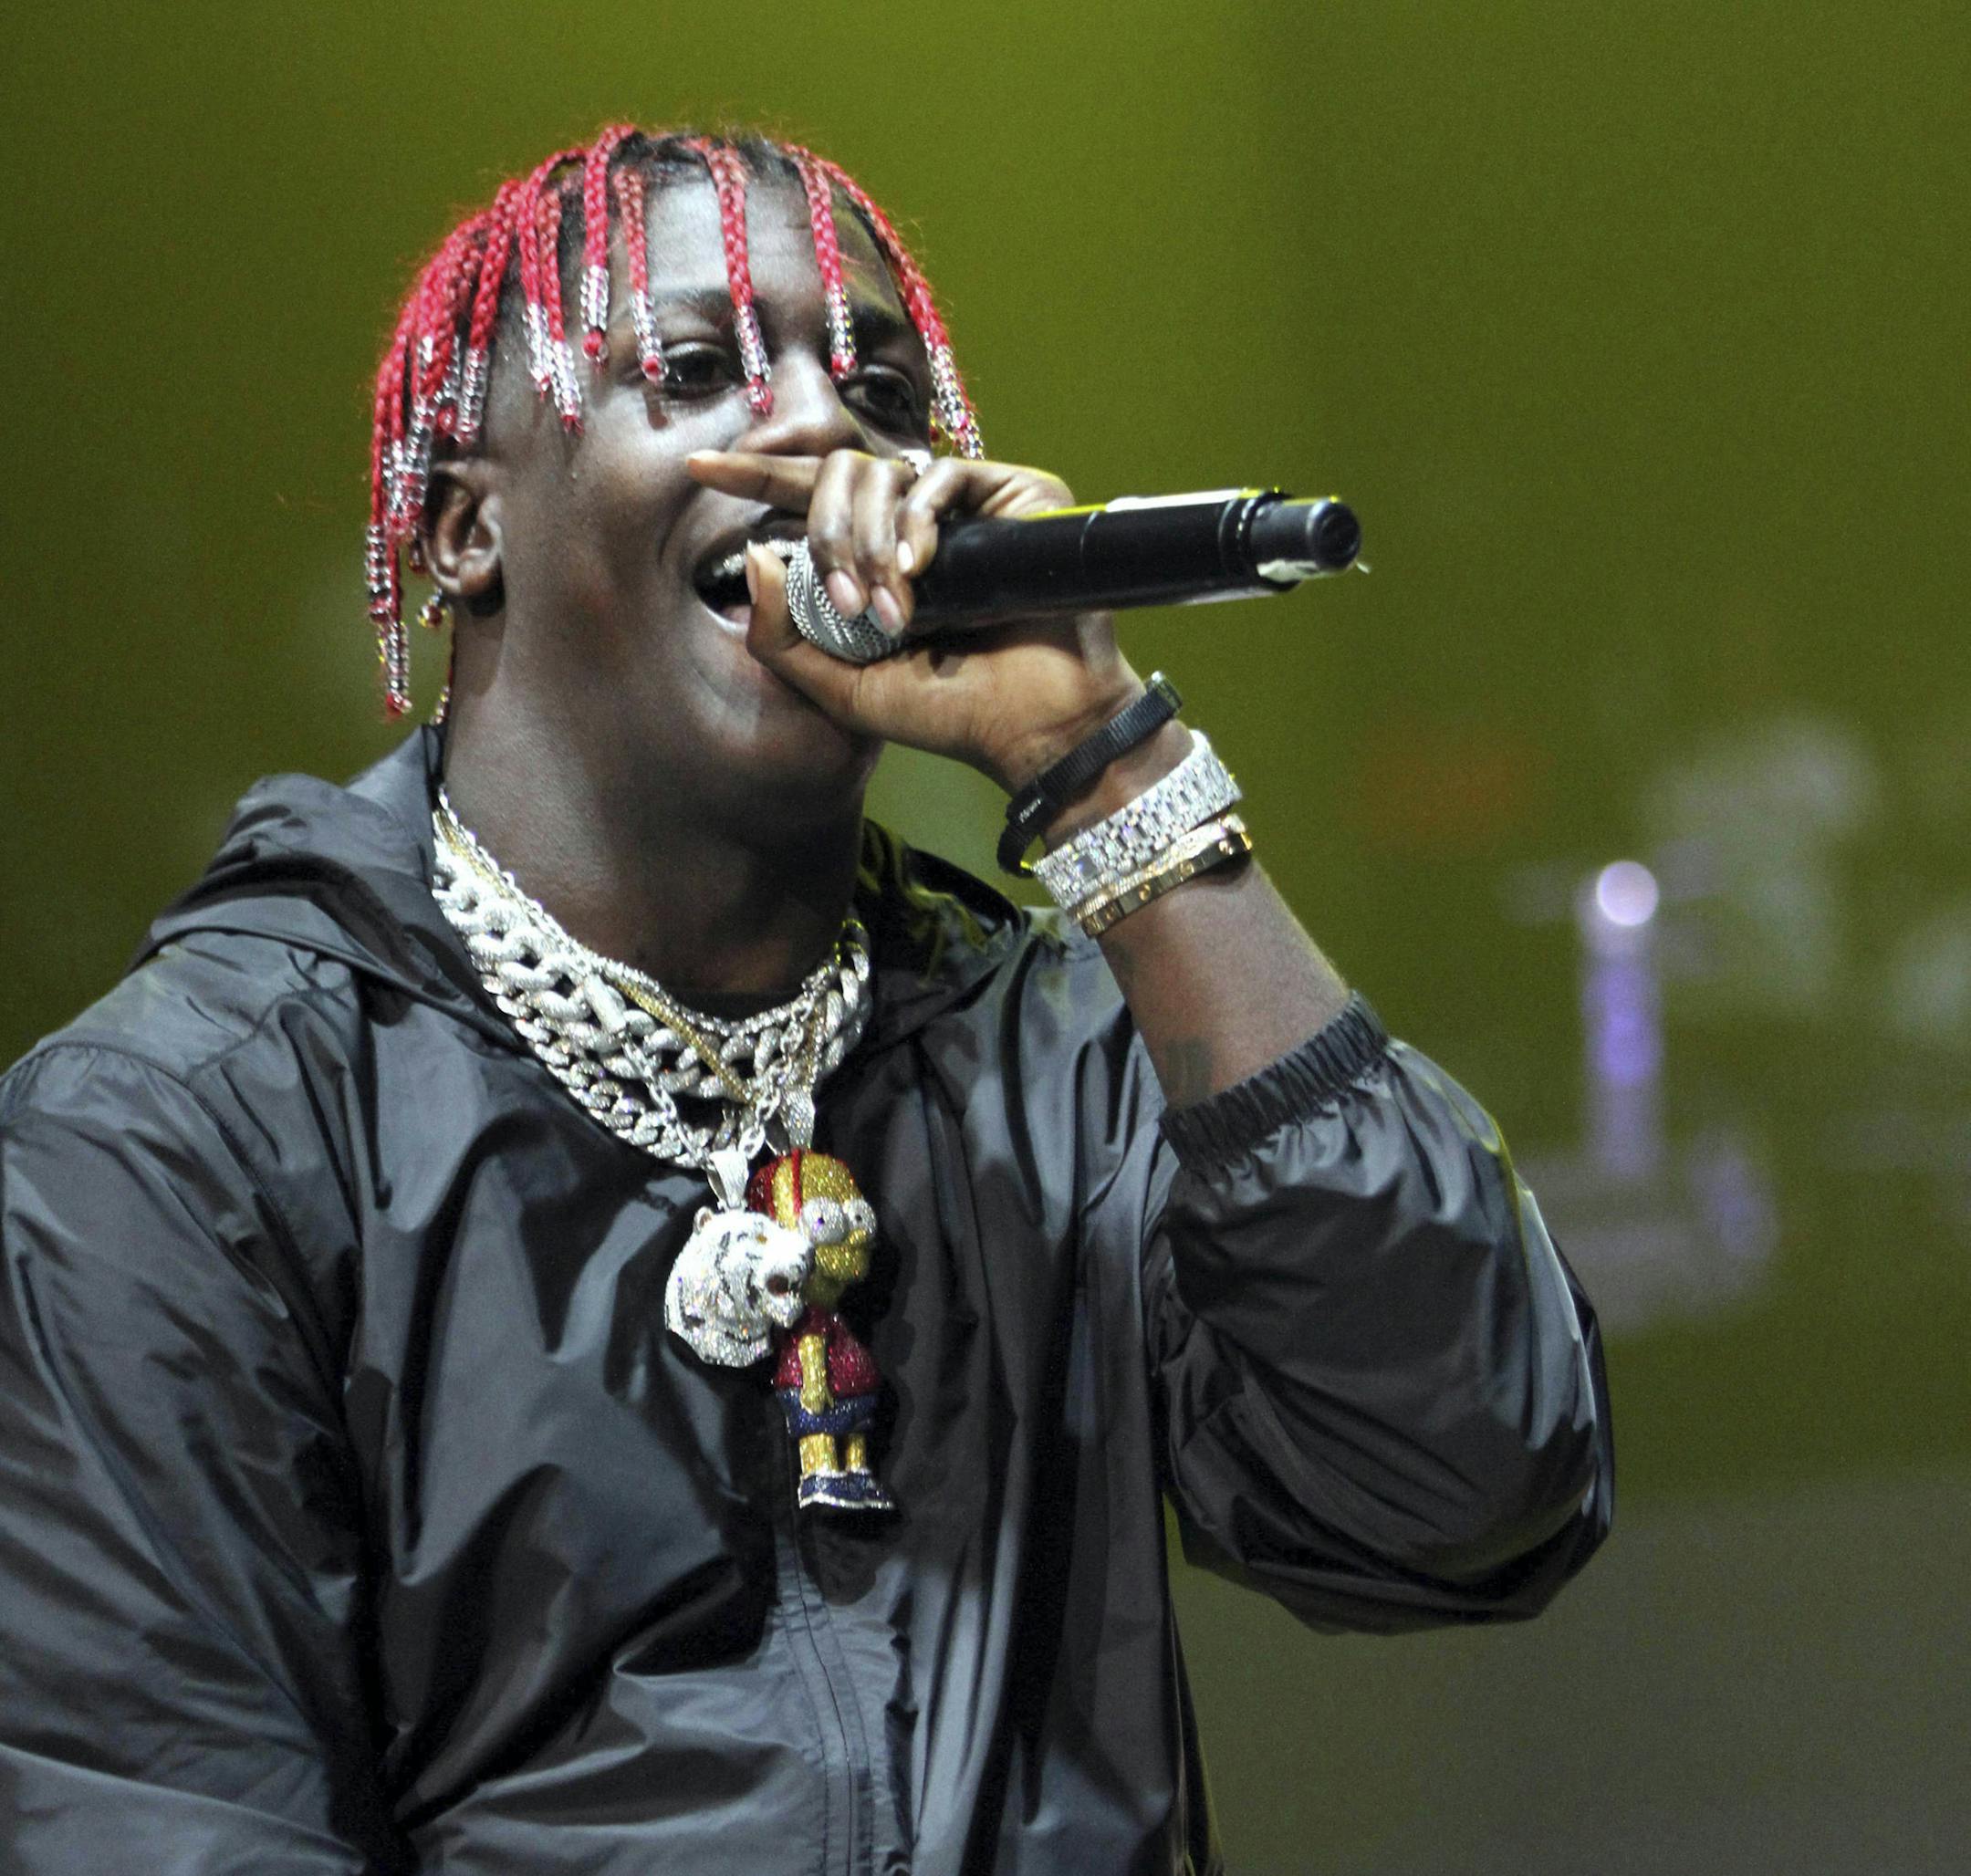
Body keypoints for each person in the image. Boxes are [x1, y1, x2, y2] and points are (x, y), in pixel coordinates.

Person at [0, 126, 1612, 1873]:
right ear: (468, 530)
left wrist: (1105, 765)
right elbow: (155, 1817)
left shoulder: (1058, 1060)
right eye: (695, 369)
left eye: (883, 391)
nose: (825, 427)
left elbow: (1468, 1484)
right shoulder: (178, 1144)